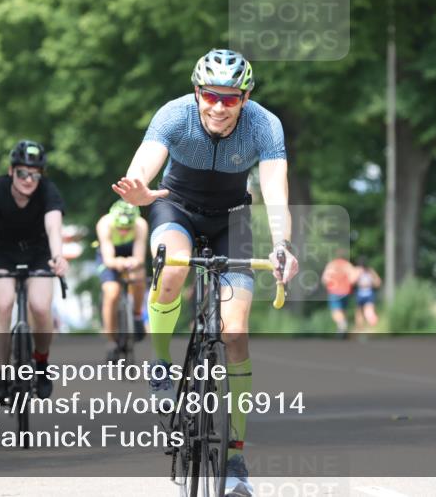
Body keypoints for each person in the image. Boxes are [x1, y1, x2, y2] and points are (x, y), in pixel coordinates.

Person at [112, 49, 299, 497]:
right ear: (197, 92)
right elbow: (143, 167)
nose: (218, 106)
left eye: (230, 99)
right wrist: (138, 191)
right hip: (174, 208)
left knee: (235, 333)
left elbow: (275, 194)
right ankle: (159, 363)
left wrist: (282, 246)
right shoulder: (175, 115)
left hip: (232, 217)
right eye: (210, 96)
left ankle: (235, 456)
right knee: (172, 270)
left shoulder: (265, 125)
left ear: (245, 98)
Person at [0, 140, 69, 401]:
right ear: (11, 171)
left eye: (35, 174)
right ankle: (1, 377)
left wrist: (58, 256)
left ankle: (41, 364)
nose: (29, 179)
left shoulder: (48, 191)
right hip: (2, 252)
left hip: (38, 251)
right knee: (3, 305)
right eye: (22, 173)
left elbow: (53, 227)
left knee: (40, 306)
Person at [96, 199, 149, 362]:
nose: (124, 231)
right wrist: (117, 263)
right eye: (120, 228)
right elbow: (108, 258)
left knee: (138, 279)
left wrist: (134, 263)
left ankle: (137, 314)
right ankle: (111, 340)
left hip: (131, 253)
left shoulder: (140, 224)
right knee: (112, 292)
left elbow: (139, 255)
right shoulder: (104, 223)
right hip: (110, 255)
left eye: (128, 228)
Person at [322, 254, 355, 338]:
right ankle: (342, 328)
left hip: (334, 291)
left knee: (335, 311)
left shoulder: (331, 264)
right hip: (346, 291)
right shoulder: (347, 265)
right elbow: (353, 278)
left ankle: (342, 324)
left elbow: (325, 278)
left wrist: (327, 285)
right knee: (343, 310)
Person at [352, 256, 382, 331]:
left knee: (368, 312)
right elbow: (352, 282)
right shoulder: (357, 271)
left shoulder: (370, 271)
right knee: (359, 312)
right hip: (360, 294)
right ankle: (360, 329)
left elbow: (378, 282)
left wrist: (370, 283)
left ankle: (370, 327)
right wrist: (358, 275)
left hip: (368, 294)